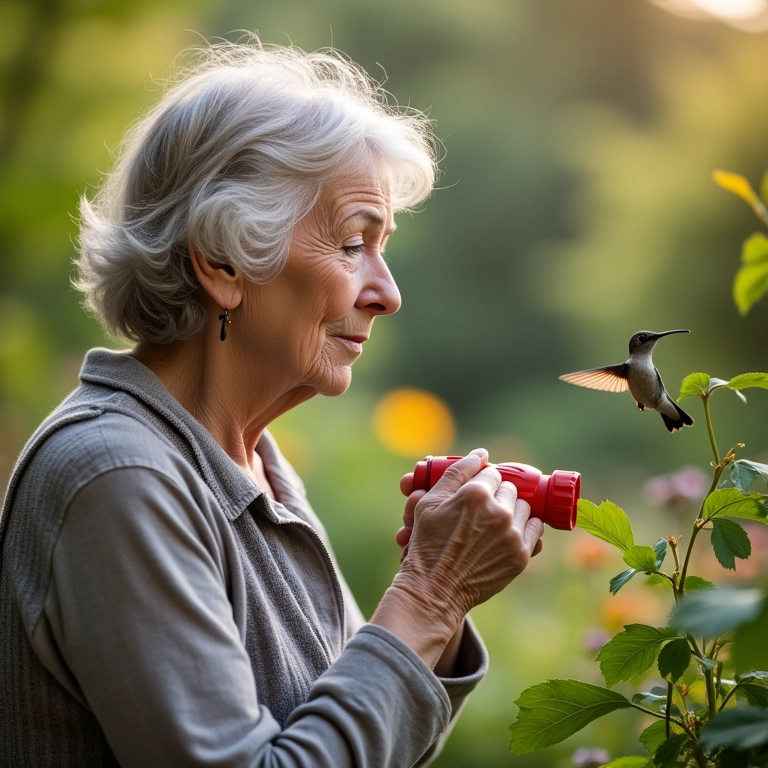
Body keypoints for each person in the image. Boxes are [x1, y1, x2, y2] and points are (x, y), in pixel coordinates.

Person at [0, 39, 544, 767]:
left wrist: (438, 590)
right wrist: (429, 595)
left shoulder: (255, 467)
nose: (387, 293)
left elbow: (348, 742)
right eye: (354, 243)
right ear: (222, 261)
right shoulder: (118, 476)